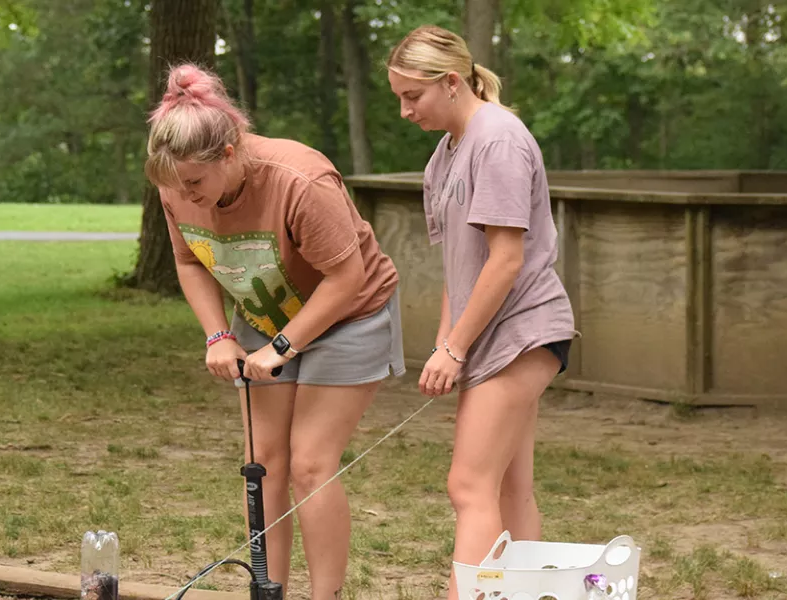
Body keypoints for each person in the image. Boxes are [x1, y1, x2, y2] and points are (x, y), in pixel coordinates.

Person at [145, 63, 404, 600]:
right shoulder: (178, 182)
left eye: (195, 183)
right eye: (174, 187)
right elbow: (190, 261)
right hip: (265, 310)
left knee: (311, 463)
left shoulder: (301, 181)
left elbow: (346, 276)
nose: (185, 199)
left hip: (349, 314)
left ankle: (323, 596)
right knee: (263, 465)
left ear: (230, 153)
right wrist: (219, 336)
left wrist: (284, 346)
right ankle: (269, 590)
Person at [384, 25, 577, 600]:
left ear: (450, 82)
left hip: (524, 329)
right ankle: (530, 593)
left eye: (411, 96)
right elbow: (459, 270)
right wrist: (447, 345)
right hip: (488, 337)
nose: (404, 111)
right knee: (508, 488)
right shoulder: (444, 155)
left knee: (468, 485)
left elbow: (506, 260)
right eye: (397, 96)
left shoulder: (498, 140)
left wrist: (456, 347)